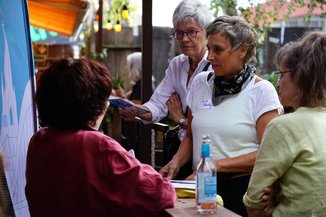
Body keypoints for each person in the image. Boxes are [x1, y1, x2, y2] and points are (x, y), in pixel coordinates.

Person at [159, 16, 283, 216]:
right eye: (209, 48)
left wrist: (214, 165)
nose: (209, 57)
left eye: (218, 50)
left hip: (241, 190)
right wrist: (175, 162)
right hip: (199, 186)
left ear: (242, 50)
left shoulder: (262, 91)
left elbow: (270, 153)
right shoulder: (200, 83)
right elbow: (191, 135)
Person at [25, 58, 176, 217]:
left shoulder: (39, 140)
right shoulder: (96, 146)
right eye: (105, 99)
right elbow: (160, 194)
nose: (107, 104)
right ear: (94, 104)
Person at [243, 31, 326, 217]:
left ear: (300, 77)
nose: (278, 83)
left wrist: (276, 200)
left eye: (281, 75)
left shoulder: (283, 127)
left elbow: (254, 206)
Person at [120, 0, 213, 135]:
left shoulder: (216, 66)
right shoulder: (177, 65)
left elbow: (210, 122)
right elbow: (157, 104)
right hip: (183, 146)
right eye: (179, 33)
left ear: (206, 32)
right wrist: (136, 110)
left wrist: (180, 119)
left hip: (207, 148)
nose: (184, 39)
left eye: (191, 32)